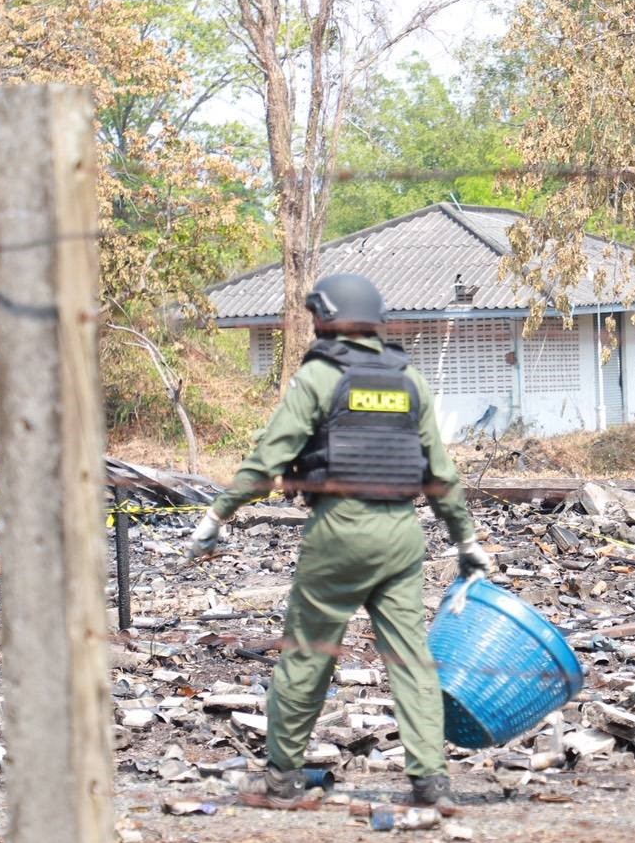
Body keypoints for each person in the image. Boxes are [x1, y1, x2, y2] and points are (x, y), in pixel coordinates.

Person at [188, 273, 494, 809]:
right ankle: (431, 782)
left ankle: (282, 779)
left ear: (327, 319)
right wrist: (465, 539)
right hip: (402, 533)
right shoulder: (410, 381)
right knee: (410, 659)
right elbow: (440, 473)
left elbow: (269, 458)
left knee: (308, 654)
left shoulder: (320, 378)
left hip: (340, 530)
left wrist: (218, 514)